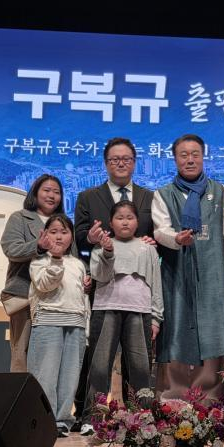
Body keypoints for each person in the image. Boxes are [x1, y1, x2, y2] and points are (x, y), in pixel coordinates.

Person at [73, 137, 155, 427]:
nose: (121, 163)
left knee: (139, 363)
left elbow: (157, 233)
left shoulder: (149, 197)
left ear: (134, 163)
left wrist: (152, 241)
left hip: (139, 297)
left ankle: (139, 420)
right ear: (106, 163)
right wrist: (92, 239)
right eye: (114, 159)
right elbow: (78, 236)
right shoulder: (88, 196)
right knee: (98, 360)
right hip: (104, 292)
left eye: (126, 159)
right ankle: (91, 416)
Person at [152, 134, 224, 399]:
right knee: (176, 330)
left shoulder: (219, 192)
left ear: (203, 157)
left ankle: (210, 402)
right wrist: (176, 239)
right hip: (176, 272)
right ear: (175, 159)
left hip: (212, 273)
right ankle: (173, 400)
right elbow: (160, 230)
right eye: (184, 155)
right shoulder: (163, 194)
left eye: (195, 154)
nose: (190, 160)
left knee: (212, 331)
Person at [81, 200, 163, 435]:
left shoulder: (147, 248)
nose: (125, 222)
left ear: (138, 222)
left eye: (130, 217)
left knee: (140, 368)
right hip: (106, 308)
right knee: (99, 366)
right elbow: (100, 275)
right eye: (119, 217)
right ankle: (92, 418)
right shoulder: (100, 248)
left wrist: (156, 317)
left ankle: (142, 417)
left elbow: (156, 284)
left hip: (139, 310)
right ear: (111, 222)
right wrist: (107, 252)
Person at [0, 174, 72, 372]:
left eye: (56, 192)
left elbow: (72, 258)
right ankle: (21, 392)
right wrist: (38, 246)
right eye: (46, 190)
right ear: (35, 193)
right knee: (22, 351)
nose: (52, 196)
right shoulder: (20, 218)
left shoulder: (65, 222)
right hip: (25, 295)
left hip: (58, 299)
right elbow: (11, 249)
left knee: (52, 355)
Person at [27, 213, 91, 438]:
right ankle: (44, 419)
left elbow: (83, 300)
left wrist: (85, 329)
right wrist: (54, 259)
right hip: (48, 322)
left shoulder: (78, 264)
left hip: (76, 324)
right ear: (44, 235)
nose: (59, 236)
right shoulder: (39, 261)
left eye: (64, 232)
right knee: (45, 374)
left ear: (71, 236)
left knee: (69, 377)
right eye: (53, 231)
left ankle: (63, 420)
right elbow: (45, 285)